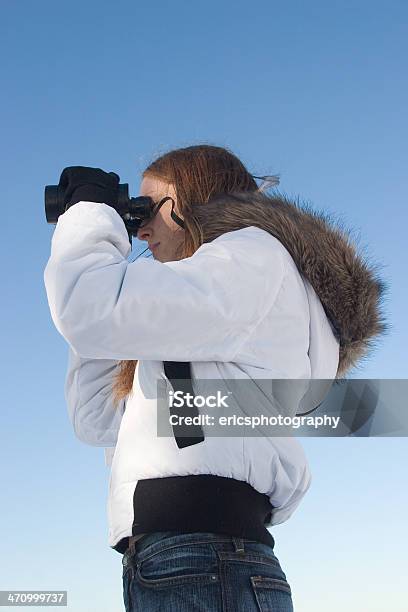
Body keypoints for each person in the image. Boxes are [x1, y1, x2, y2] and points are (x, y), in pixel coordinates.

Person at [43, 144, 386, 611]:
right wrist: (106, 275)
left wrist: (89, 217)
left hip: (205, 557)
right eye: (131, 215)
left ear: (198, 199)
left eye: (149, 209)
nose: (140, 228)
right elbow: (97, 417)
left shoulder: (250, 256)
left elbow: (89, 310)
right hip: (180, 558)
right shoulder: (202, 309)